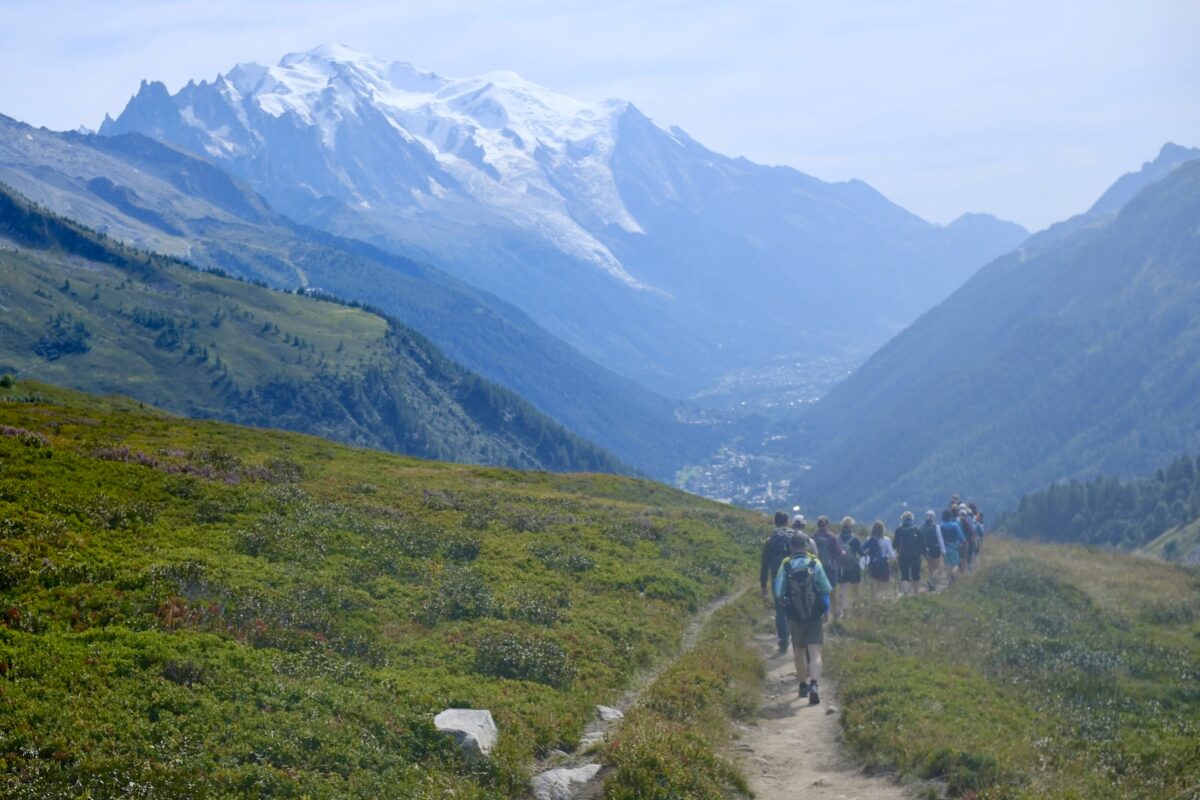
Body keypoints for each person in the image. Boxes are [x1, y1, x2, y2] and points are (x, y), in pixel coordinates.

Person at [773, 533, 832, 703]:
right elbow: (825, 588)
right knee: (815, 652)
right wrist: (826, 610)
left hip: (795, 615)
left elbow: (779, 591)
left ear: (791, 547)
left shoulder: (786, 564)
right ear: (807, 545)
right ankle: (814, 684)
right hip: (814, 615)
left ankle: (802, 686)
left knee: (798, 652)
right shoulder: (815, 563)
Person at [760, 511, 795, 654]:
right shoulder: (794, 537)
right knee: (794, 604)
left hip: (777, 577)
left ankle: (782, 640)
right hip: (794, 576)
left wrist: (763, 585)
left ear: (775, 522)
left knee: (780, 609)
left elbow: (764, 565)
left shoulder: (770, 540)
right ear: (787, 521)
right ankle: (795, 634)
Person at [811, 515, 846, 619]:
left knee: (819, 591)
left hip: (817, 568)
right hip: (830, 568)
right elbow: (839, 553)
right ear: (827, 524)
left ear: (818, 525)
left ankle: (823, 613)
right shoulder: (832, 537)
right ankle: (834, 614)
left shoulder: (813, 537)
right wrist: (843, 553)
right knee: (832, 591)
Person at [892, 511, 923, 596]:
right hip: (915, 555)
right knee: (916, 574)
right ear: (912, 519)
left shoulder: (899, 530)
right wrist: (921, 553)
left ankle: (905, 593)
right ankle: (916, 593)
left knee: (904, 575)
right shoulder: (916, 529)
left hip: (903, 556)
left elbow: (894, 545)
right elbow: (922, 543)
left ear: (903, 519)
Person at [837, 516, 863, 617]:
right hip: (853, 566)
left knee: (843, 590)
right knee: (855, 589)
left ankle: (844, 612)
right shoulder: (855, 539)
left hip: (841, 567)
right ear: (852, 526)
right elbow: (861, 553)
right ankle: (856, 610)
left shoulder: (837, 538)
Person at [863, 521, 895, 600]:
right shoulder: (886, 540)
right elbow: (891, 555)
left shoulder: (869, 539)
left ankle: (874, 600)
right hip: (883, 563)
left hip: (872, 564)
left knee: (874, 583)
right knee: (883, 584)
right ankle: (881, 599)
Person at [921, 510, 945, 591]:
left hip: (926, 550)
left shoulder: (922, 527)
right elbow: (940, 539)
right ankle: (932, 581)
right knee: (936, 567)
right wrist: (943, 550)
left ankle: (931, 583)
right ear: (933, 517)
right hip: (935, 548)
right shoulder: (936, 527)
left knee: (930, 567)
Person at [939, 509, 964, 583]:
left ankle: (948, 580)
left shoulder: (941, 526)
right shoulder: (955, 525)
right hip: (954, 547)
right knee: (955, 564)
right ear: (950, 516)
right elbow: (961, 537)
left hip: (944, 548)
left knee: (947, 564)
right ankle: (953, 575)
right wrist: (960, 543)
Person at [959, 506, 978, 576]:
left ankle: (962, 571)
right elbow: (971, 531)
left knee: (961, 557)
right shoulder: (967, 521)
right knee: (967, 557)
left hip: (958, 542)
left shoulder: (957, 521)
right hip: (966, 541)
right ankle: (967, 572)